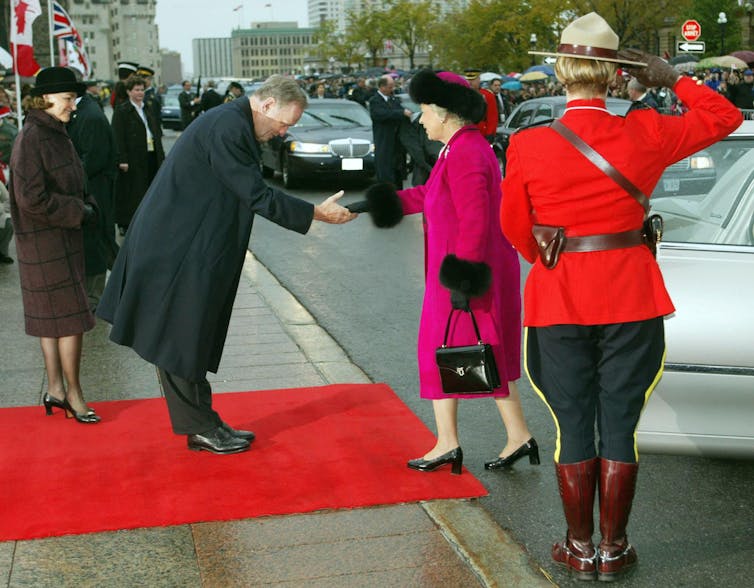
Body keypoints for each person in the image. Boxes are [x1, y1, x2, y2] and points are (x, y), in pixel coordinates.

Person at [502, 13, 742, 582]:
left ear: (560, 72)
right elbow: (726, 116)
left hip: (561, 299)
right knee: (621, 426)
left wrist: (555, 262)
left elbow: (516, 228)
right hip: (632, 296)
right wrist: (669, 77)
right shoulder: (647, 131)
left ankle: (578, 547)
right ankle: (615, 548)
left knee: (571, 425)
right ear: (615, 75)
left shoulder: (529, 143)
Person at [96, 75, 356, 455]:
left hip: (187, 244)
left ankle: (205, 420)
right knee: (180, 336)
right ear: (266, 104)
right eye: (285, 122)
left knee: (192, 333)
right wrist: (315, 213)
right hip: (177, 248)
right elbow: (255, 194)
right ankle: (199, 427)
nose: (284, 132)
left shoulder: (233, 122)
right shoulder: (229, 127)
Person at [364, 69, 536, 476]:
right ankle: (517, 436)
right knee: (483, 353)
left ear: (444, 114)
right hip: (470, 270)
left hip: (466, 272)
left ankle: (448, 443)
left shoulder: (464, 151)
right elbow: (429, 194)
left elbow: (476, 217)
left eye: (424, 111)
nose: (420, 119)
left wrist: (464, 278)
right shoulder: (461, 147)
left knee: (447, 352)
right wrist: (371, 205)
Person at [9, 66, 101, 423]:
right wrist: (79, 211)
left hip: (53, 242)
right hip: (48, 246)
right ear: (44, 99)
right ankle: (73, 394)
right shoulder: (33, 137)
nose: (72, 105)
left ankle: (57, 390)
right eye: (67, 99)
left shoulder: (53, 132)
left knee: (52, 322)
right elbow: (30, 198)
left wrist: (85, 205)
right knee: (71, 319)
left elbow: (72, 179)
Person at [67, 68, 119, 310]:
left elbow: (93, 159)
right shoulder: (81, 112)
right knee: (98, 244)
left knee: (100, 244)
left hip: (95, 191)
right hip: (89, 190)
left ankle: (112, 293)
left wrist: (68, 181)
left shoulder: (90, 116)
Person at [111, 74, 165, 235]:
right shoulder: (122, 111)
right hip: (133, 158)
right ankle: (127, 223)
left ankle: (148, 220)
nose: (140, 93)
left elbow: (155, 133)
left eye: (142, 89)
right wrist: (122, 159)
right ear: (129, 92)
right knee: (133, 192)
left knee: (149, 188)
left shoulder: (147, 108)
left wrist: (161, 156)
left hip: (150, 154)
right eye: (136, 90)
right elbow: (117, 136)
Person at [368, 75, 412, 185]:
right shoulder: (375, 101)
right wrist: (401, 113)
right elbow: (381, 114)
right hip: (384, 141)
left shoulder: (394, 99)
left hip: (397, 142)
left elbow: (401, 111)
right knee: (385, 173)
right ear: (382, 87)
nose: (392, 89)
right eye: (389, 87)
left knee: (397, 172)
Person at [464, 68, 498, 141]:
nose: (470, 82)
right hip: (465, 133)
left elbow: (492, 117)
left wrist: (490, 133)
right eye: (468, 80)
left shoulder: (487, 95)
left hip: (481, 133)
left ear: (479, 80)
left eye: (473, 80)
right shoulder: (462, 95)